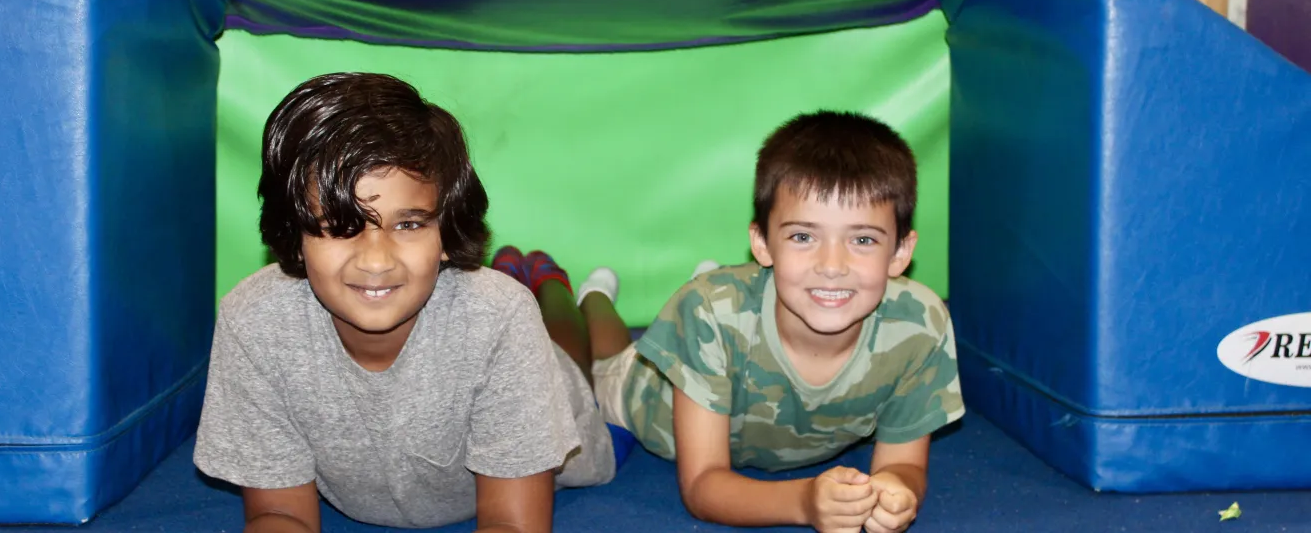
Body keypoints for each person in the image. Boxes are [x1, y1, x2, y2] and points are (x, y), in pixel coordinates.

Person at [192, 72, 618, 533]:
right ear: (295, 238)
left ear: (447, 234)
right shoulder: (254, 321)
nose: (375, 260)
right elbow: (279, 515)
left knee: (587, 360)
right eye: (339, 225)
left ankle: (564, 286)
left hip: (559, 387)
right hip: (487, 319)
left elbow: (512, 525)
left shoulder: (499, 317)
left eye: (409, 224)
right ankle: (527, 272)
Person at [590, 111, 965, 533]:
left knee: (713, 304)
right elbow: (702, 485)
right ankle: (592, 298)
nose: (832, 266)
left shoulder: (920, 326)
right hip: (641, 397)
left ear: (900, 252)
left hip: (724, 324)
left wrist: (894, 492)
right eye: (803, 237)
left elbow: (901, 464)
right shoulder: (706, 312)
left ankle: (706, 279)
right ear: (762, 244)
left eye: (862, 240)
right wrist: (805, 502)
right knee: (600, 355)